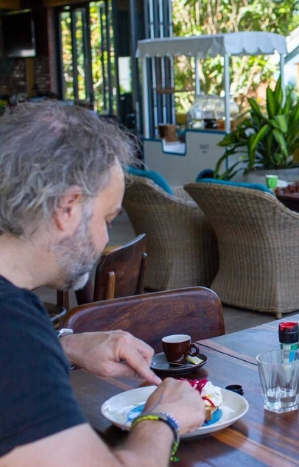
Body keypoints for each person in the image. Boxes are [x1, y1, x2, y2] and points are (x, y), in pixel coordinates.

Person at [0, 102, 205, 467]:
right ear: (67, 208)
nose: (105, 238)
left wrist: (62, 345)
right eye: (108, 219)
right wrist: (163, 419)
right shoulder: (12, 329)